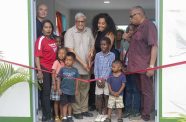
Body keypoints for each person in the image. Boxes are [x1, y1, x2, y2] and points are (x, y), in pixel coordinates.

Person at [127, 6, 158, 121]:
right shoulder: (138, 27)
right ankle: (142, 114)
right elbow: (138, 46)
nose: (130, 19)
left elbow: (154, 46)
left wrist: (151, 66)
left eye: (131, 16)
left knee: (147, 92)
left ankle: (145, 117)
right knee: (141, 91)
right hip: (135, 67)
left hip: (144, 66)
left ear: (138, 14)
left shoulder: (149, 25)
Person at [64, 12, 94, 119]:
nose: (81, 23)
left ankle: (84, 109)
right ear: (75, 22)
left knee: (85, 89)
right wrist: (84, 63)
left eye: (83, 21)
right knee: (76, 89)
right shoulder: (70, 32)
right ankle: (77, 111)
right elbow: (70, 50)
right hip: (75, 68)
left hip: (87, 67)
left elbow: (92, 46)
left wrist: (90, 56)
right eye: (79, 21)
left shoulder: (88, 30)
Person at [89, 13, 117, 112]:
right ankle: (98, 107)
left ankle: (107, 109)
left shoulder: (110, 34)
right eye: (99, 23)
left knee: (106, 89)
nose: (100, 25)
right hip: (98, 61)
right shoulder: (97, 33)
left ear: (107, 24)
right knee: (96, 86)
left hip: (107, 61)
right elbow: (94, 47)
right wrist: (91, 54)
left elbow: (106, 49)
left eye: (103, 23)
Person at [35, 19, 57, 121]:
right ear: (42, 29)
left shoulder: (53, 40)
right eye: (46, 27)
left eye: (50, 27)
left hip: (53, 70)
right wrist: (39, 71)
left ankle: (51, 114)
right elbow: (37, 57)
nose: (48, 29)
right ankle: (46, 116)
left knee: (53, 92)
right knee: (46, 93)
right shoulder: (40, 40)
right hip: (44, 69)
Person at [94, 37, 115, 122]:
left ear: (109, 45)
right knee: (99, 96)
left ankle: (105, 113)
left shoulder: (112, 55)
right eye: (101, 44)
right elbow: (95, 67)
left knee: (106, 96)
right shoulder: (97, 55)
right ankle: (99, 113)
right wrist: (97, 79)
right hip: (98, 79)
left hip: (107, 80)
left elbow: (111, 68)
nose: (103, 46)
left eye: (105, 44)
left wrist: (104, 79)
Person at [122, 24, 141, 119]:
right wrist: (123, 67)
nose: (130, 32)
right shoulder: (125, 43)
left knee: (136, 90)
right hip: (126, 69)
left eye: (132, 30)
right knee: (128, 90)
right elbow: (123, 55)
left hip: (135, 70)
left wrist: (129, 38)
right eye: (128, 30)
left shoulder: (137, 41)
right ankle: (128, 110)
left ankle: (136, 110)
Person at [57, 52, 79, 122]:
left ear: (73, 61)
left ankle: (69, 116)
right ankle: (64, 117)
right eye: (66, 59)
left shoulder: (75, 70)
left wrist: (76, 90)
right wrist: (58, 88)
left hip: (72, 91)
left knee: (70, 104)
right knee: (65, 104)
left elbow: (77, 81)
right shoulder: (62, 69)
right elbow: (58, 79)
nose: (67, 61)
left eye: (70, 60)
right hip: (64, 91)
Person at [50, 48, 67, 121]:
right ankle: (56, 116)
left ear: (66, 54)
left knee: (61, 101)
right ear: (57, 54)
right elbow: (53, 73)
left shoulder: (66, 63)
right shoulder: (56, 62)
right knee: (56, 101)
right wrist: (54, 84)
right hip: (56, 84)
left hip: (63, 85)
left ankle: (61, 115)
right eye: (59, 53)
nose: (61, 54)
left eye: (63, 53)